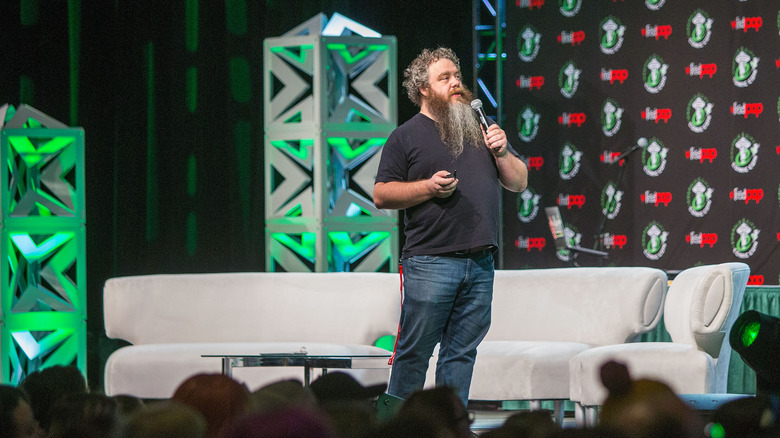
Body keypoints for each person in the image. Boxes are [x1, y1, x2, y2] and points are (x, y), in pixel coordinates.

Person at [373, 47, 527, 407]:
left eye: (457, 76)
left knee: (461, 354)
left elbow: (519, 183)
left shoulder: (482, 128)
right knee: (414, 353)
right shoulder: (405, 136)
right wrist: (427, 187)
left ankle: (450, 426)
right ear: (423, 89)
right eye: (445, 77)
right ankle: (397, 431)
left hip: (480, 262)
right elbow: (381, 194)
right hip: (430, 262)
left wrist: (503, 153)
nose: (456, 82)